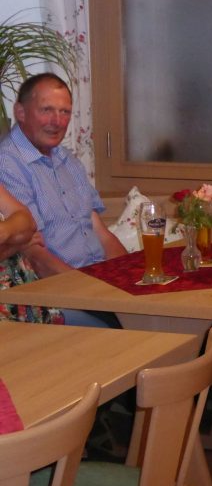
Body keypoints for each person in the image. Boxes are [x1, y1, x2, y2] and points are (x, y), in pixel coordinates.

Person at [0, 73, 126, 327]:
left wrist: (129, 276)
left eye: (65, 112)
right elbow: (35, 256)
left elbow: (101, 233)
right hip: (63, 293)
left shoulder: (66, 158)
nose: (57, 122)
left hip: (99, 282)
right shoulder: (8, 163)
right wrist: (97, 293)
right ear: (20, 112)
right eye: (46, 110)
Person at [0, 183, 63, 324]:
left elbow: (28, 221)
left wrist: (5, 234)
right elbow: (25, 230)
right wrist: (18, 244)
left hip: (33, 305)